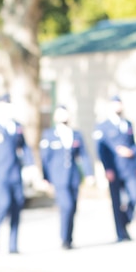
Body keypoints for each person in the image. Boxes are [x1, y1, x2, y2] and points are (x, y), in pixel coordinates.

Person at [0, 94, 34, 254]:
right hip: (0, 174)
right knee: (3, 204)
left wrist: (30, 165)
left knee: (17, 207)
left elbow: (25, 147)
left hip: (15, 174)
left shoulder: (16, 126)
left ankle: (13, 245)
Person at [40, 105, 93, 249]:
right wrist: (45, 178)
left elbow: (84, 156)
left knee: (73, 207)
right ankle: (63, 238)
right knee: (66, 206)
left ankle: (69, 238)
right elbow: (45, 158)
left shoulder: (76, 134)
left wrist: (89, 174)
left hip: (74, 176)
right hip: (58, 177)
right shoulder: (49, 135)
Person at [93, 96, 136, 242]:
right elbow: (101, 151)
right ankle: (121, 232)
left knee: (135, 197)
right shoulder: (103, 126)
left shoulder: (128, 124)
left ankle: (125, 219)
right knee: (117, 202)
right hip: (114, 169)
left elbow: (133, 145)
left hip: (129, 168)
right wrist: (107, 169)